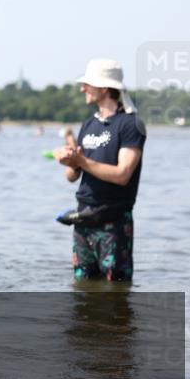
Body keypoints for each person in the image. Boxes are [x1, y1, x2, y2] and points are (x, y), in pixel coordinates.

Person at [53, 59, 145, 282]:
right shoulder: (88, 125)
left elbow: (123, 175)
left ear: (104, 88)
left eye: (88, 84)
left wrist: (81, 162)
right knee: (82, 291)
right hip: (83, 219)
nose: (82, 88)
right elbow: (72, 176)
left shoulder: (131, 124)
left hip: (113, 223)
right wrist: (70, 162)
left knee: (116, 290)